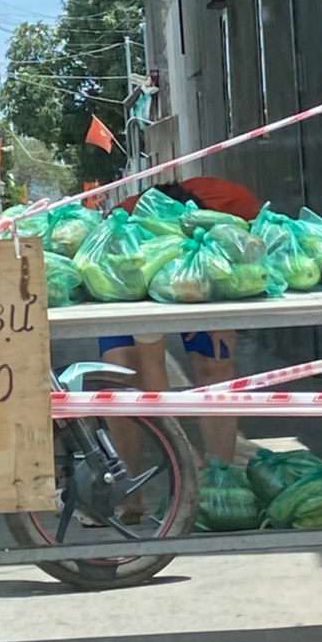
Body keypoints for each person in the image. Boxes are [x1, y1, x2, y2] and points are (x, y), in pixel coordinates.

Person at [98, 178, 257, 465]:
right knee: (120, 368)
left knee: (216, 362)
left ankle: (220, 476)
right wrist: (181, 450)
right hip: (134, 290)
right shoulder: (127, 227)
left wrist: (221, 315)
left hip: (202, 278)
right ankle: (134, 484)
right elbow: (152, 364)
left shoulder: (234, 205)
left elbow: (250, 264)